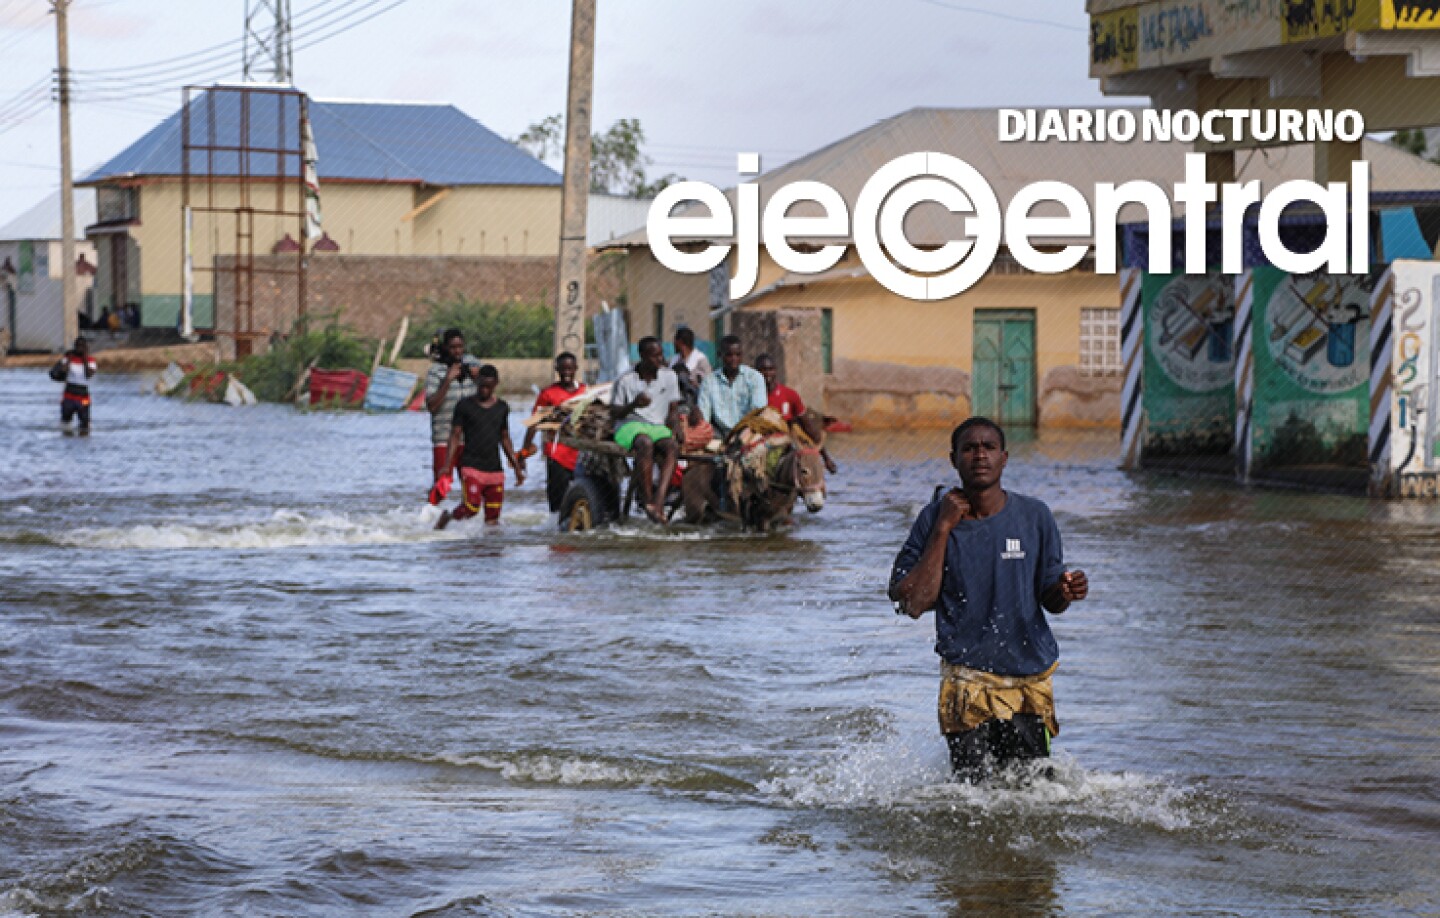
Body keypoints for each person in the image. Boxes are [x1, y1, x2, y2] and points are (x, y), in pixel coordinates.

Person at [888, 417, 1088, 783]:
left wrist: (1065, 591)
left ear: (1004, 458)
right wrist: (944, 528)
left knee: (1033, 792)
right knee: (972, 796)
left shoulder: (1035, 516)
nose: (979, 455)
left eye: (988, 447)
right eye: (969, 448)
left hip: (1028, 680)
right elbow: (912, 601)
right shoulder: (933, 518)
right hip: (966, 683)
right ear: (954, 460)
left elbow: (1050, 597)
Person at [431, 365, 525, 528]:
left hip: (494, 469)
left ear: (496, 384)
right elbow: (455, 435)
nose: (485, 390)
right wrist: (447, 465)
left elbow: (505, 438)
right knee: (471, 507)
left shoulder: (502, 408)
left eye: (489, 386)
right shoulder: (464, 406)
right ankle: (448, 517)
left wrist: (516, 467)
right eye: (481, 385)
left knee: (493, 517)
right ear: (477, 382)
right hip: (471, 466)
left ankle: (487, 549)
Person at [610, 336, 684, 523]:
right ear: (642, 356)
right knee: (645, 443)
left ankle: (658, 503)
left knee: (672, 447)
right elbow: (615, 413)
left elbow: (673, 409)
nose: (659, 359)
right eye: (654, 356)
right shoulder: (626, 380)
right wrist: (634, 404)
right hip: (629, 425)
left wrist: (676, 426)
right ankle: (647, 500)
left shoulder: (670, 376)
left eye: (661, 355)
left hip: (657, 426)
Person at [521, 351, 587, 513]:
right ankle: (556, 528)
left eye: (570, 369)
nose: (566, 373)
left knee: (583, 494)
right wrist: (523, 453)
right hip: (556, 452)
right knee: (557, 497)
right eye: (563, 369)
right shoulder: (548, 394)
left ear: (576, 369)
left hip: (581, 453)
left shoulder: (585, 392)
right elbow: (534, 423)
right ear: (556, 369)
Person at [755, 352, 838, 474]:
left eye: (770, 369)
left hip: (787, 445)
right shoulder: (752, 397)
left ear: (775, 371)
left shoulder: (790, 395)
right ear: (756, 373)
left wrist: (826, 458)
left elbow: (808, 429)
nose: (767, 374)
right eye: (763, 370)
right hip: (760, 446)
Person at [423, 328, 481, 483]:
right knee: (442, 481)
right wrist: (447, 380)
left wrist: (479, 379)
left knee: (471, 482)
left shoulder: (472, 363)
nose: (457, 351)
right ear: (445, 348)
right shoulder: (436, 371)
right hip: (444, 435)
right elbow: (432, 406)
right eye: (453, 347)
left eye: (460, 347)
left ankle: (466, 507)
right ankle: (434, 507)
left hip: (469, 437)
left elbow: (487, 395)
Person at [696, 335, 767, 439]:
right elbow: (704, 416)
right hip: (718, 433)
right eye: (729, 355)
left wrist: (745, 434)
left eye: (738, 355)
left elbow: (758, 411)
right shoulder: (709, 381)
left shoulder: (754, 377)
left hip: (749, 431)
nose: (734, 359)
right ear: (720, 355)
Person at [53, 336, 97, 434]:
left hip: (83, 396)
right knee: (65, 422)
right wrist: (69, 359)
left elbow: (89, 375)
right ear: (75, 347)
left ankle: (83, 435)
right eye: (78, 346)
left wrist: (85, 360)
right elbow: (62, 370)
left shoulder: (91, 360)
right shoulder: (68, 358)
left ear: (86, 347)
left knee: (85, 423)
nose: (80, 348)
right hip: (69, 395)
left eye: (82, 346)